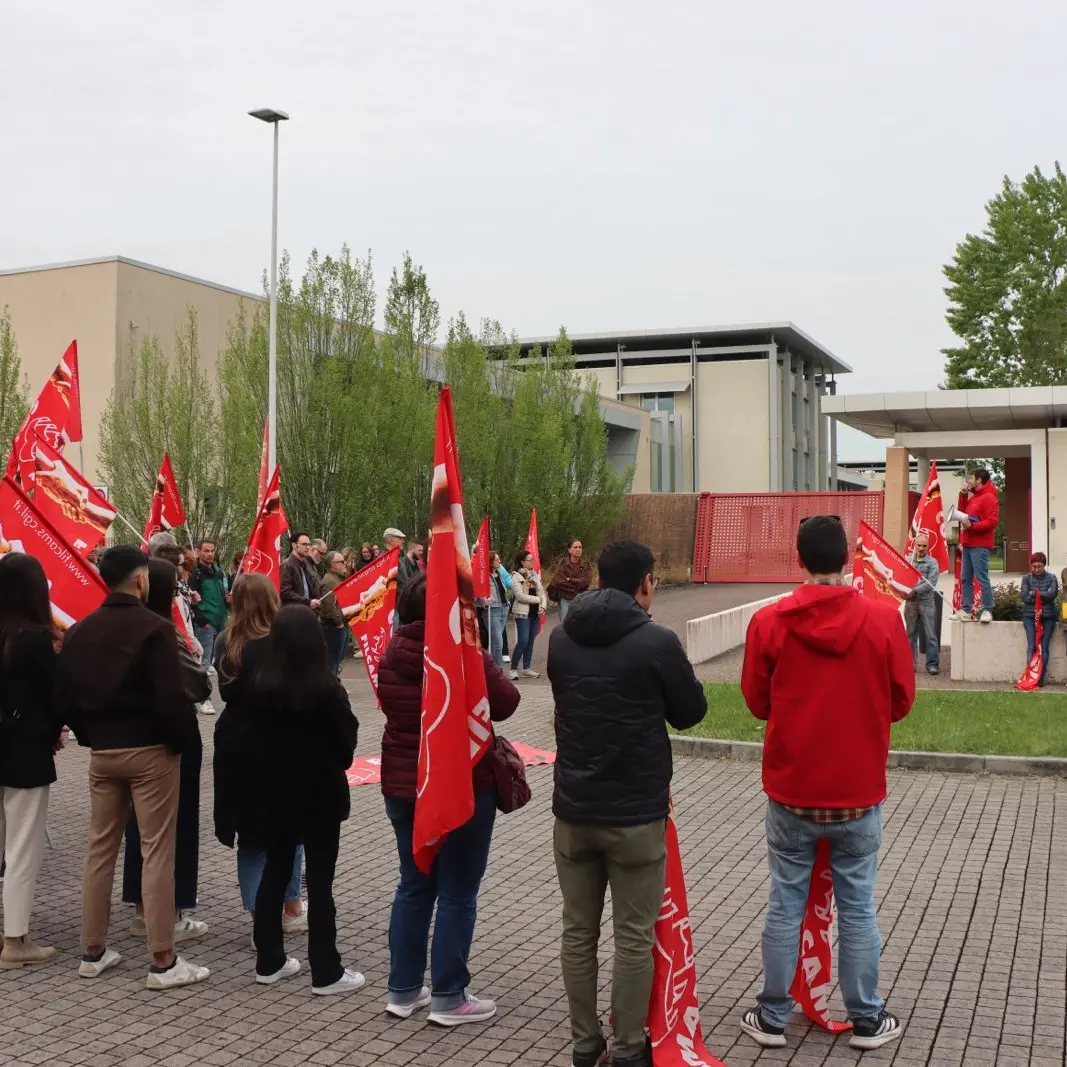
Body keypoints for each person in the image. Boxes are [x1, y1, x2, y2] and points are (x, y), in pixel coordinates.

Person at [739, 515, 914, 1051]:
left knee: (784, 900)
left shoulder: (769, 624)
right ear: (845, 560)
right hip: (858, 792)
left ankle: (772, 1016)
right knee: (858, 905)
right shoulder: (885, 621)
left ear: (801, 560)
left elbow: (756, 701)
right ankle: (866, 1017)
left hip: (792, 789)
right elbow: (902, 700)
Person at [548, 540, 706, 1067]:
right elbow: (690, 713)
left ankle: (584, 1044)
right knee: (633, 937)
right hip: (636, 814)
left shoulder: (560, 639)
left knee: (578, 932)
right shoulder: (656, 641)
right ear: (645, 582)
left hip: (573, 810)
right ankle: (631, 1048)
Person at [56, 545, 209, 990]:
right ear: (141, 580)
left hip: (103, 752)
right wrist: (176, 743)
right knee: (156, 849)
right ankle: (163, 960)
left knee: (100, 848)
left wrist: (91, 735)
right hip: (151, 750)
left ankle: (93, 950)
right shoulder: (155, 628)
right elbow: (171, 695)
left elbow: (63, 693)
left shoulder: (81, 630)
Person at [377, 573, 520, 1025]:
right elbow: (506, 701)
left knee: (414, 885)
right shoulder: (464, 655)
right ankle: (449, 996)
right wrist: (477, 652)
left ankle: (403, 991)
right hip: (461, 785)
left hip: (404, 786)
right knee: (457, 892)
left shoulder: (391, 652)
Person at [250, 605, 361, 994]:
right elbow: (347, 747)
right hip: (320, 796)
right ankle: (326, 970)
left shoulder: (261, 686)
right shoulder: (327, 691)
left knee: (275, 872)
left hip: (275, 793)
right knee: (320, 881)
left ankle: (269, 960)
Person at [213, 574, 308, 943]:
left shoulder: (226, 641)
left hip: (237, 741)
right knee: (289, 828)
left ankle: (260, 918)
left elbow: (225, 692)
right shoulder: (283, 642)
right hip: (279, 742)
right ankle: (290, 907)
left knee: (251, 836)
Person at [122, 558, 211, 945]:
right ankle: (169, 912)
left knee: (138, 826)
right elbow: (197, 685)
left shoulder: (121, 628)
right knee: (175, 827)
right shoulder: (162, 632)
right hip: (171, 739)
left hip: (128, 737)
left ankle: (142, 907)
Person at [0, 554, 63, 969]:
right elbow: (54, 694)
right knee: (23, 845)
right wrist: (55, 729)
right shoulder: (36, 638)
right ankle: (16, 938)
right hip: (25, 749)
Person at [955, 468, 999, 623]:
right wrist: (963, 494)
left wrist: (972, 527)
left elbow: (992, 522)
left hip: (980, 544)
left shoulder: (989, 497)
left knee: (981, 578)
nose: (969, 481)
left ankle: (987, 609)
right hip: (968, 543)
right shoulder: (974, 498)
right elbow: (962, 513)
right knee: (966, 578)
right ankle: (966, 610)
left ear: (979, 480)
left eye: (971, 478)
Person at [187, 540, 229, 670]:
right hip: (205, 625)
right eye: (206, 551)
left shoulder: (219, 572)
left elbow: (222, 596)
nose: (210, 554)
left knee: (217, 664)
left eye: (212, 551)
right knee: (203, 665)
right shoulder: (195, 574)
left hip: (220, 622)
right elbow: (190, 599)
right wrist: (203, 621)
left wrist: (228, 599)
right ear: (198, 552)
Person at [904, 534, 941, 675]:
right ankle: (910, 664)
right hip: (911, 603)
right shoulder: (907, 561)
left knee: (931, 634)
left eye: (924, 545)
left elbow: (931, 582)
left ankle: (932, 664)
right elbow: (901, 577)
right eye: (919, 545)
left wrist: (914, 590)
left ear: (928, 546)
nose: (921, 548)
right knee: (910, 634)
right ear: (914, 545)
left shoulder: (932, 563)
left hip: (927, 602)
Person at [1020, 553, 1059, 687]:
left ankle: (1040, 678)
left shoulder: (1052, 578)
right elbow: (1024, 597)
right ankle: (1031, 677)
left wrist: (1034, 593)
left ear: (1044, 565)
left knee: (1044, 648)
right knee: (1032, 647)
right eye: (1034, 566)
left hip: (1048, 616)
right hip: (1030, 616)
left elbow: (1052, 595)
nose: (1036, 569)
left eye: (1040, 566)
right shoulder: (1026, 578)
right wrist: (1042, 595)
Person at [509, 551, 546, 680]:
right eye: (530, 560)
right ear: (523, 562)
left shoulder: (534, 576)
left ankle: (526, 668)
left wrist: (542, 606)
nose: (532, 562)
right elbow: (520, 596)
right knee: (523, 640)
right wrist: (538, 600)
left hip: (535, 613)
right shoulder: (517, 576)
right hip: (523, 613)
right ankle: (513, 669)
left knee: (530, 641)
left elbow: (541, 593)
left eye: (533, 559)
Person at [319, 551, 350, 678]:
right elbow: (328, 605)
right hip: (333, 626)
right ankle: (331, 686)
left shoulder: (337, 578)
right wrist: (339, 622)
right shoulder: (328, 581)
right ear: (333, 565)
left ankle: (334, 683)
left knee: (337, 659)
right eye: (341, 562)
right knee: (332, 659)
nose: (345, 564)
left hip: (341, 624)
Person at [548, 539, 593, 623]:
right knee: (564, 627)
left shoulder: (586, 565)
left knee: (578, 627)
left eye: (580, 547)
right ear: (569, 550)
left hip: (581, 600)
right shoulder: (562, 563)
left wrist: (570, 579)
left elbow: (586, 582)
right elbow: (557, 581)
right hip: (566, 599)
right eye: (575, 547)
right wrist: (575, 586)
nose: (578, 549)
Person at [483, 552, 512, 668]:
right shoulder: (484, 576)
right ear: (490, 561)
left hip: (504, 608)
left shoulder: (499, 573)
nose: (500, 562)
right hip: (493, 610)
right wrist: (482, 601)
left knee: (497, 642)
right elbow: (477, 591)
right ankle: (498, 669)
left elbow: (508, 585)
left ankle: (495, 669)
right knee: (498, 643)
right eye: (497, 560)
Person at [281, 532, 322, 610]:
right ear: (294, 545)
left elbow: (309, 589)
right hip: (293, 613)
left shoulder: (304, 564)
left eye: (309, 544)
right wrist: (307, 602)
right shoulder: (287, 565)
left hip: (307, 610)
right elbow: (285, 592)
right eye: (304, 544)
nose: (308, 547)